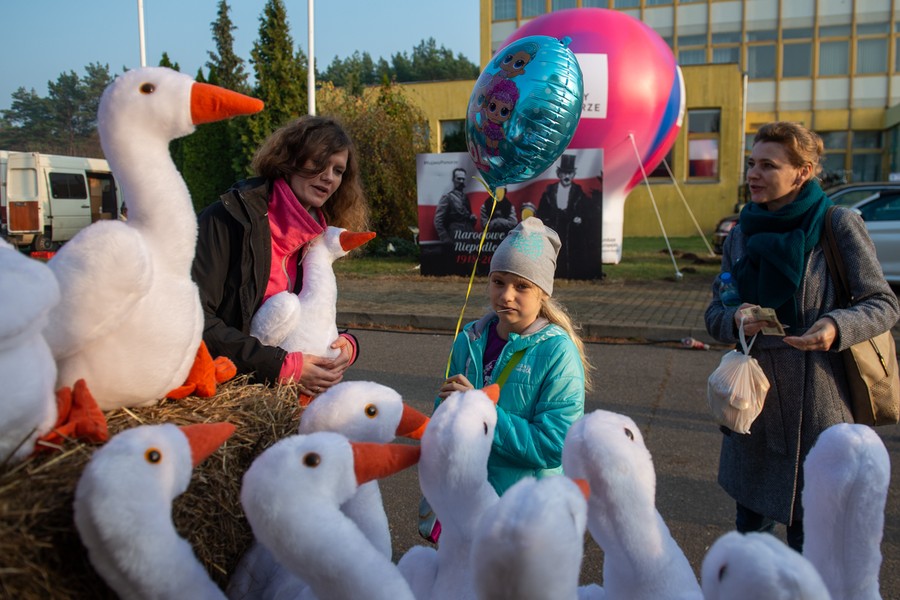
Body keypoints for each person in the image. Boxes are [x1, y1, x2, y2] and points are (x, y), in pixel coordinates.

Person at [704, 121, 899, 552]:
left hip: (819, 413)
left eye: (768, 165)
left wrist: (835, 327)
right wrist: (735, 318)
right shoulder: (740, 233)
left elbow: (884, 304)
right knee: (752, 543)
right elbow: (714, 313)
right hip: (752, 408)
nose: (753, 174)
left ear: (803, 171)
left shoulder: (837, 224)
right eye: (752, 164)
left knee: (810, 546)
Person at [192, 116, 369, 396]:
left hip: (281, 402)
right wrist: (280, 367)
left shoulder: (317, 238)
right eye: (319, 162)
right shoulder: (227, 219)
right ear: (289, 159)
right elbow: (195, 318)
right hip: (223, 392)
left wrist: (345, 344)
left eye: (338, 171)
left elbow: (312, 315)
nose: (329, 177)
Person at [436, 217, 593, 495]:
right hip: (468, 497)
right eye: (499, 281)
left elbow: (554, 446)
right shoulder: (469, 339)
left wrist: (482, 413)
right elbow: (442, 415)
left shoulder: (558, 352)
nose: (506, 295)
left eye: (522, 286)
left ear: (542, 293)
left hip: (525, 508)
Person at [535, 154, 602, 279]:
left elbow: (586, 212)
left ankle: (571, 274)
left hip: (572, 232)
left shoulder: (579, 193)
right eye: (564, 173)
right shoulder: (549, 192)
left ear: (573, 175)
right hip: (554, 229)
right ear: (559, 174)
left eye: (569, 173)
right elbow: (542, 213)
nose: (566, 176)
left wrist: (579, 218)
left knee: (572, 254)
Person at [433, 167, 476, 246]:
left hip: (468, 236)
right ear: (453, 179)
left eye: (463, 179)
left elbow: (468, 217)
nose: (461, 181)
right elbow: (438, 220)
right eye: (459, 179)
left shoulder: (465, 197)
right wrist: (445, 239)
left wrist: (472, 219)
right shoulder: (447, 197)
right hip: (454, 236)